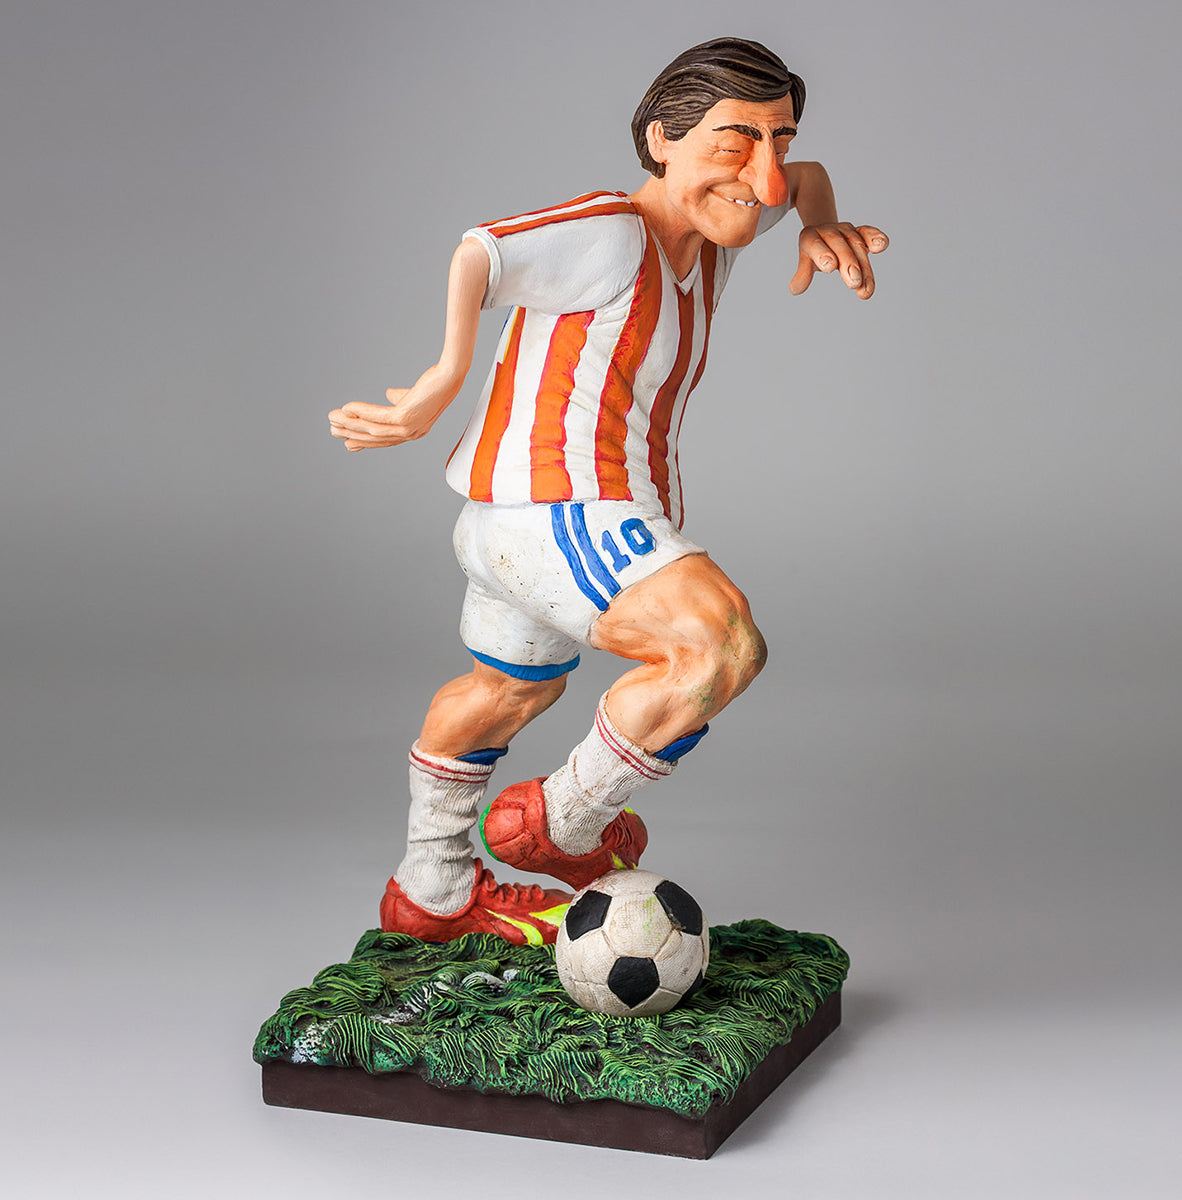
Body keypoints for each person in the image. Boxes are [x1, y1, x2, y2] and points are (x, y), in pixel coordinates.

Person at [328, 37, 887, 945]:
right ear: (662, 140)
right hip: (567, 508)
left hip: (507, 523)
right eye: (735, 143)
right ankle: (562, 823)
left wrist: (821, 218)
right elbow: (482, 251)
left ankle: (430, 891)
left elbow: (806, 179)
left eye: (777, 140)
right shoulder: (613, 233)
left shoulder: (716, 226)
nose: (765, 177)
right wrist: (443, 376)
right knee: (717, 645)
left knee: (505, 692)